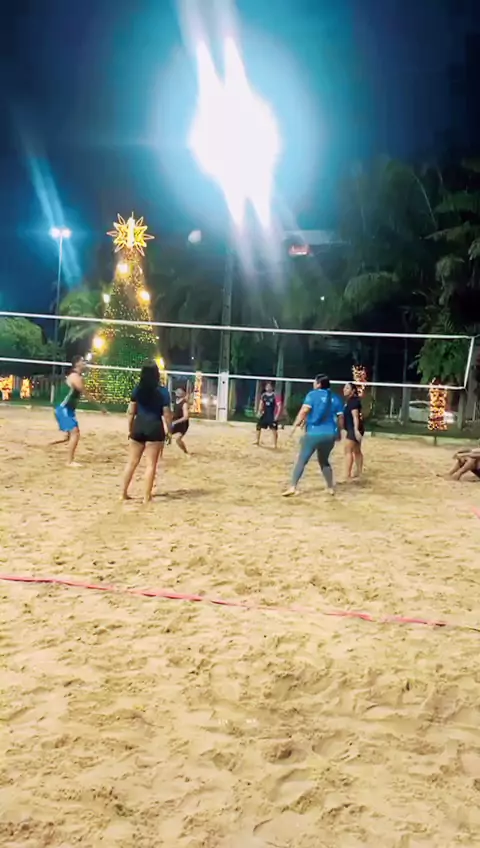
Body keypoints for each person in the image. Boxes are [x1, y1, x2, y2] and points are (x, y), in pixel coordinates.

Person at [283, 374, 344, 497]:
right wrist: (339, 432)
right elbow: (340, 418)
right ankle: (330, 487)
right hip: (329, 434)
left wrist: (294, 426)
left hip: (314, 432)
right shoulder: (335, 397)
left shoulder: (312, 395)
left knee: (302, 460)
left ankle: (293, 486)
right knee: (324, 461)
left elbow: (304, 411)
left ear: (319, 384)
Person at [122, 361, 172, 503]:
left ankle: (123, 493)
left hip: (139, 426)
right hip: (154, 427)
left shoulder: (137, 390)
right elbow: (167, 414)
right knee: (150, 465)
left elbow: (131, 412)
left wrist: (130, 429)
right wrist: (169, 431)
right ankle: (146, 497)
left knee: (132, 462)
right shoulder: (163, 392)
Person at [52, 355, 106, 466]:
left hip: (68, 410)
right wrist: (100, 407)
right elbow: (86, 394)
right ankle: (69, 461)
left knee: (72, 434)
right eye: (82, 361)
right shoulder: (75, 377)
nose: (85, 363)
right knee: (75, 433)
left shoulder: (77, 376)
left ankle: (54, 443)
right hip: (63, 409)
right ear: (77, 364)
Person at [343, 382, 365, 480]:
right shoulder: (351, 401)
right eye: (344, 387)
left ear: (353, 391)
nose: (344, 389)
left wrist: (356, 430)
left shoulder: (353, 402)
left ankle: (347, 475)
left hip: (353, 429)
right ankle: (359, 472)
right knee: (357, 451)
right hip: (354, 428)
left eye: (347, 388)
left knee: (348, 450)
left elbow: (355, 416)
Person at [255, 381, 280, 448]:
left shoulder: (275, 395)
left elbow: (279, 406)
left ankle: (275, 444)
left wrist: (277, 415)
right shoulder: (263, 395)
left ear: (272, 387)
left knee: (273, 429)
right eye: (267, 386)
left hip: (272, 415)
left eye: (269, 386)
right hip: (265, 414)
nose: (268, 387)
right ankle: (257, 441)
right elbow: (261, 404)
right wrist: (259, 412)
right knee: (258, 426)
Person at [171, 387, 190, 455]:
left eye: (180, 391)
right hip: (174, 422)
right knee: (163, 435)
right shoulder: (175, 401)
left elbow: (186, 417)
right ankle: (159, 454)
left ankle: (186, 452)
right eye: (177, 390)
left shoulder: (184, 404)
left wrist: (175, 422)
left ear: (184, 393)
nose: (177, 392)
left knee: (178, 440)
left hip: (182, 424)